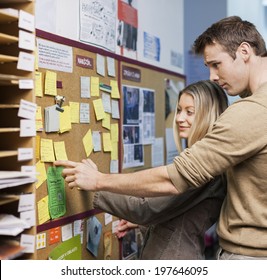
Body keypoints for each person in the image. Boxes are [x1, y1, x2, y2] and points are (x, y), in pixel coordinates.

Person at [55, 16, 267, 259]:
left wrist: (99, 181)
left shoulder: (253, 111)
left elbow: (173, 180)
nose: (213, 76)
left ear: (244, 51)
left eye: (216, 64)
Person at [92, 80, 228, 259]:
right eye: (179, 110)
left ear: (208, 116)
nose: (179, 118)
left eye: (190, 112)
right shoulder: (202, 159)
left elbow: (145, 210)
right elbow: (180, 215)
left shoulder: (205, 165)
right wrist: (143, 224)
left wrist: (95, 185)